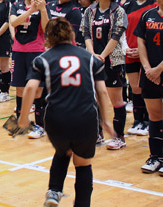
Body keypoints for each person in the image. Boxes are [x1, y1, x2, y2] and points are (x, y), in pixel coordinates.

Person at [18, 17, 115, 207]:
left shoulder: (43, 59)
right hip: (85, 118)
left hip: (56, 118)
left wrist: (23, 118)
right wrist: (107, 121)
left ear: (48, 37)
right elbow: (102, 91)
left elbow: (30, 89)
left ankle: (54, 191)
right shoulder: (90, 58)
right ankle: (82, 203)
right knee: (83, 164)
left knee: (63, 152)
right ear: (71, 35)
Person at [82, 0, 128, 150]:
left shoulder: (118, 11)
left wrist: (102, 55)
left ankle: (119, 136)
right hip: (93, 60)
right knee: (95, 99)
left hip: (112, 61)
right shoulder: (90, 11)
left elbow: (116, 36)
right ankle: (98, 133)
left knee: (116, 100)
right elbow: (86, 33)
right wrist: (92, 54)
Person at [9, 0, 48, 139]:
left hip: (36, 51)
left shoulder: (44, 5)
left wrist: (42, 9)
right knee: (19, 88)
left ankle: (40, 125)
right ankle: (21, 123)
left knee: (38, 89)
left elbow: (46, 28)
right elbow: (13, 22)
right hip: (18, 50)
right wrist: (31, 10)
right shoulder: (16, 3)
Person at [135, 0, 163, 174]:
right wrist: (147, 69)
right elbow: (140, 42)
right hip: (150, 73)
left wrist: (158, 69)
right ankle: (155, 156)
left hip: (159, 70)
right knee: (154, 116)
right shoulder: (148, 15)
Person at [124, 0, 157, 136]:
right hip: (129, 52)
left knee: (146, 88)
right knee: (135, 88)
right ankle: (138, 121)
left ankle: (149, 120)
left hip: (146, 54)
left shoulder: (154, 5)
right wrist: (125, 48)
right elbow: (121, 30)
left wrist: (142, 50)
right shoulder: (128, 5)